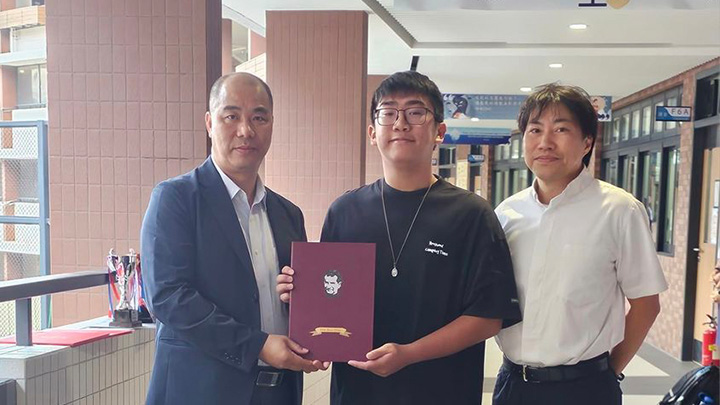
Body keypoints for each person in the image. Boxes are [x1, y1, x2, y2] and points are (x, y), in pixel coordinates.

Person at [278, 71, 521, 404]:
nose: (401, 124)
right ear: (372, 133)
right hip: (358, 393)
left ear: (439, 132)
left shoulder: (471, 214)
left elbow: (488, 316)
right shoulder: (345, 211)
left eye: (416, 112)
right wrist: (299, 294)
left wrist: (409, 354)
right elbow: (330, 294)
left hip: (443, 392)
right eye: (388, 113)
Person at [141, 72, 325, 405]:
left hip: (279, 392)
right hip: (201, 393)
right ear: (209, 123)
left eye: (259, 118)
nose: (246, 130)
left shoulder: (288, 214)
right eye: (231, 116)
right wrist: (257, 345)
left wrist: (304, 304)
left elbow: (295, 298)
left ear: (272, 125)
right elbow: (168, 296)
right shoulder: (176, 199)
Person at [493, 83, 668, 405]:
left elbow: (646, 303)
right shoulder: (506, 213)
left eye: (561, 129)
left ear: (587, 142)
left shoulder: (618, 210)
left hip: (586, 388)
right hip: (513, 384)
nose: (545, 142)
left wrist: (608, 373)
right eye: (535, 130)